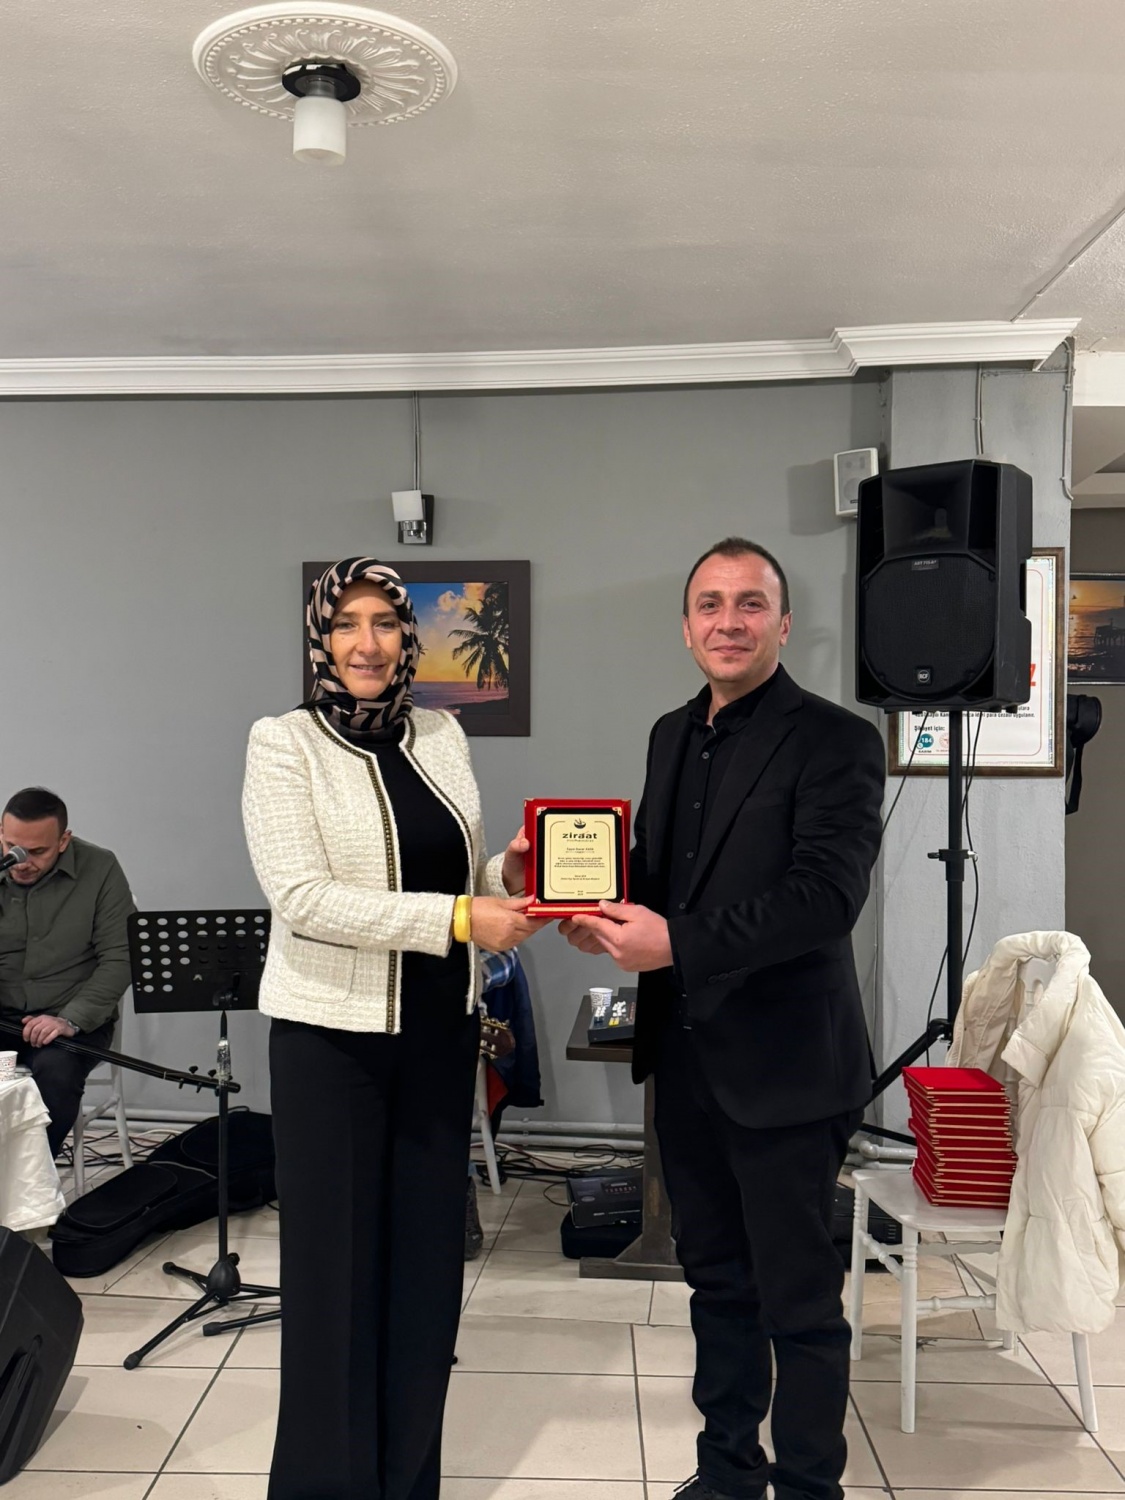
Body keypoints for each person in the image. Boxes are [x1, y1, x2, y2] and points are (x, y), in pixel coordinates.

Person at [562, 538, 885, 1500]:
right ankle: (727, 1473)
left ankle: (810, 1487)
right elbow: (665, 877)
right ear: (686, 627)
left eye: (750, 604)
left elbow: (824, 899)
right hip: (686, 1061)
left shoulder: (837, 739)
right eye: (710, 604)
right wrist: (594, 907)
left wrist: (674, 941)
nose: (728, 622)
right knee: (715, 1284)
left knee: (800, 1302)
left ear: (783, 624)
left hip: (788, 1069)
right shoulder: (670, 733)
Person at [242, 556, 545, 1500]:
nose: (366, 644)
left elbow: (455, 869)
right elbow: (303, 897)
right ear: (320, 639)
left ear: (409, 638)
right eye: (346, 624)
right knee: (335, 1281)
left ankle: (408, 1481)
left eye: (383, 623)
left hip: (437, 1036)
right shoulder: (282, 743)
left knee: (424, 1274)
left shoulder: (441, 732)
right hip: (331, 1045)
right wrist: (459, 918)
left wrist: (506, 874)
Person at [0, 786, 136, 1159]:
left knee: (57, 1074)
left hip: (68, 1022)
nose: (21, 861)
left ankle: (30, 1181)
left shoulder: (100, 868)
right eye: (12, 847)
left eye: (37, 852)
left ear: (63, 841)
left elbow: (121, 956)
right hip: (4, 1018)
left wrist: (69, 1019)